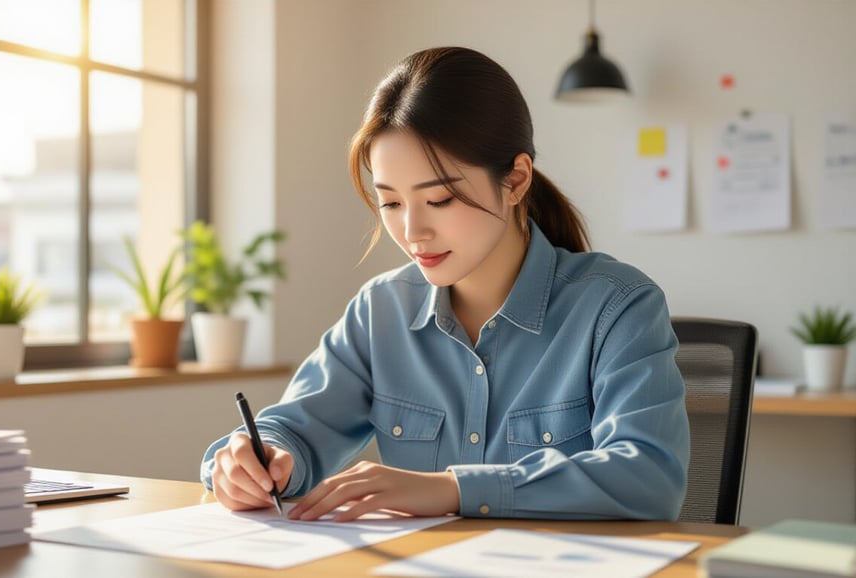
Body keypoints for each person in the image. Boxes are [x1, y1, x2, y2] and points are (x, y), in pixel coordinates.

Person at [201, 46, 689, 522]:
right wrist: (257, 460)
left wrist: (453, 490)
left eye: (438, 200)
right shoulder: (381, 311)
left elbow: (649, 477)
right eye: (391, 203)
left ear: (516, 180)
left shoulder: (618, 307)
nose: (413, 231)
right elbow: (294, 429)